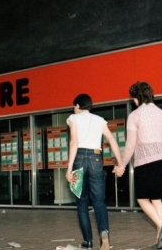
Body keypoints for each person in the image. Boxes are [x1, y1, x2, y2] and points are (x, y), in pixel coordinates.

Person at [114, 81, 162, 249]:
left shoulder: (135, 116)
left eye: (133, 98)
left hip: (145, 163)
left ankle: (161, 226)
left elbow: (131, 145)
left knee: (142, 198)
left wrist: (122, 164)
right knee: (157, 199)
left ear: (137, 98)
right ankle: (160, 240)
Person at [65, 94, 123, 250]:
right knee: (99, 201)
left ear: (78, 106)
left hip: (79, 158)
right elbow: (112, 140)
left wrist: (69, 168)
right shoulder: (99, 120)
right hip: (96, 157)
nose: (74, 109)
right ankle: (104, 234)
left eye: (74, 106)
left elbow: (74, 142)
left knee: (82, 203)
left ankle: (88, 241)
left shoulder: (73, 118)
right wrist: (120, 163)